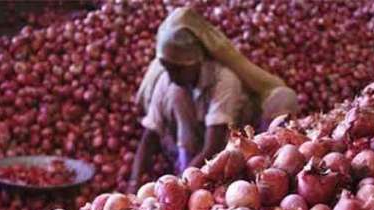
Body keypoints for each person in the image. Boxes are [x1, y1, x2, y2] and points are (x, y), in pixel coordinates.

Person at [128, 7, 298, 193]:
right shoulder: (170, 80)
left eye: (177, 69)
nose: (171, 75)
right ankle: (184, 172)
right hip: (198, 153)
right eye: (168, 68)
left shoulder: (224, 79)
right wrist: (134, 183)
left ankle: (268, 167)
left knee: (284, 98)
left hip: (234, 148)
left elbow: (214, 145)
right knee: (177, 95)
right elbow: (149, 136)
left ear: (196, 61)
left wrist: (181, 185)